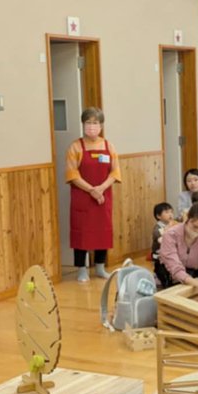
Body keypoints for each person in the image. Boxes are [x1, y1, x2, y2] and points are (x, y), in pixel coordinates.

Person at [65, 107, 120, 282]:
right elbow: (72, 174)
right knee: (81, 233)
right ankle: (82, 269)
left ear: (101, 125)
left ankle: (100, 268)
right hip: (82, 197)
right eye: (88, 122)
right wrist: (92, 190)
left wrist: (101, 189)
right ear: (83, 125)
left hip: (103, 197)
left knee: (102, 232)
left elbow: (115, 172)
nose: (91, 126)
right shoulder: (75, 147)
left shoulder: (109, 146)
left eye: (95, 123)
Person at [156, 201, 198, 303]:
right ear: (188, 219)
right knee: (180, 300)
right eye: (195, 227)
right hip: (171, 272)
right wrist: (197, 284)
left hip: (196, 270)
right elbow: (175, 268)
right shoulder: (171, 235)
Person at [151, 202, 175, 269]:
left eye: (171, 212)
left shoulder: (172, 224)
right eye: (167, 212)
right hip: (158, 254)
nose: (170, 214)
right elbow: (163, 241)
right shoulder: (157, 229)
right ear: (158, 216)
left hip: (168, 252)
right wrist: (169, 227)